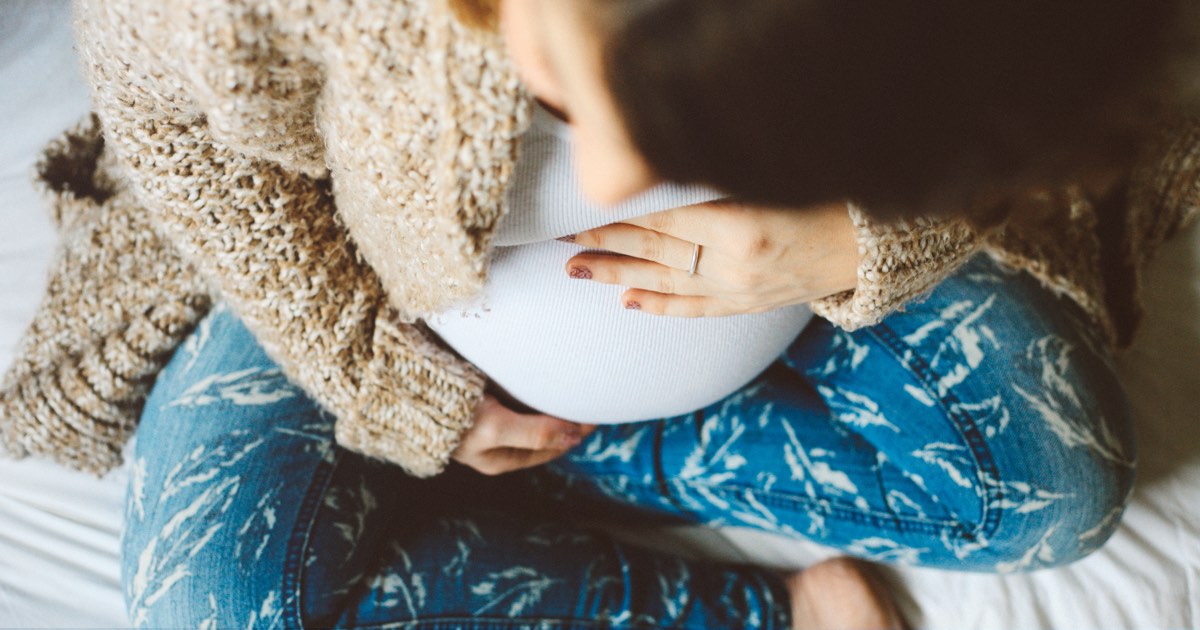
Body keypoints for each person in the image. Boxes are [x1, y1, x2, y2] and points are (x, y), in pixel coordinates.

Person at [9, 0, 1196, 628]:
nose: (617, 177)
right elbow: (179, 138)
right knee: (217, 614)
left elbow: (1005, 116)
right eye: (588, 93)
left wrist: (846, 239)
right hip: (364, 298)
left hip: (793, 299)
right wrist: (379, 381)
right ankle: (760, 614)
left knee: (1053, 477)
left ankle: (564, 458)